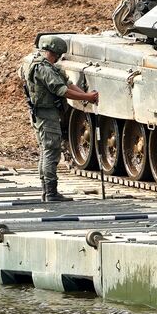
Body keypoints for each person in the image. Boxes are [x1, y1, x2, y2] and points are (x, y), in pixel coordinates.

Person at [22, 35, 99, 202]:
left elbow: (67, 83)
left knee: (46, 151)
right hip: (46, 115)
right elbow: (62, 90)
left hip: (43, 114)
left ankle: (47, 191)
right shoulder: (44, 69)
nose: (60, 57)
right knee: (51, 152)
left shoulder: (44, 65)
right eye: (59, 54)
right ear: (55, 52)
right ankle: (50, 192)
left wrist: (86, 96)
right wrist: (86, 96)